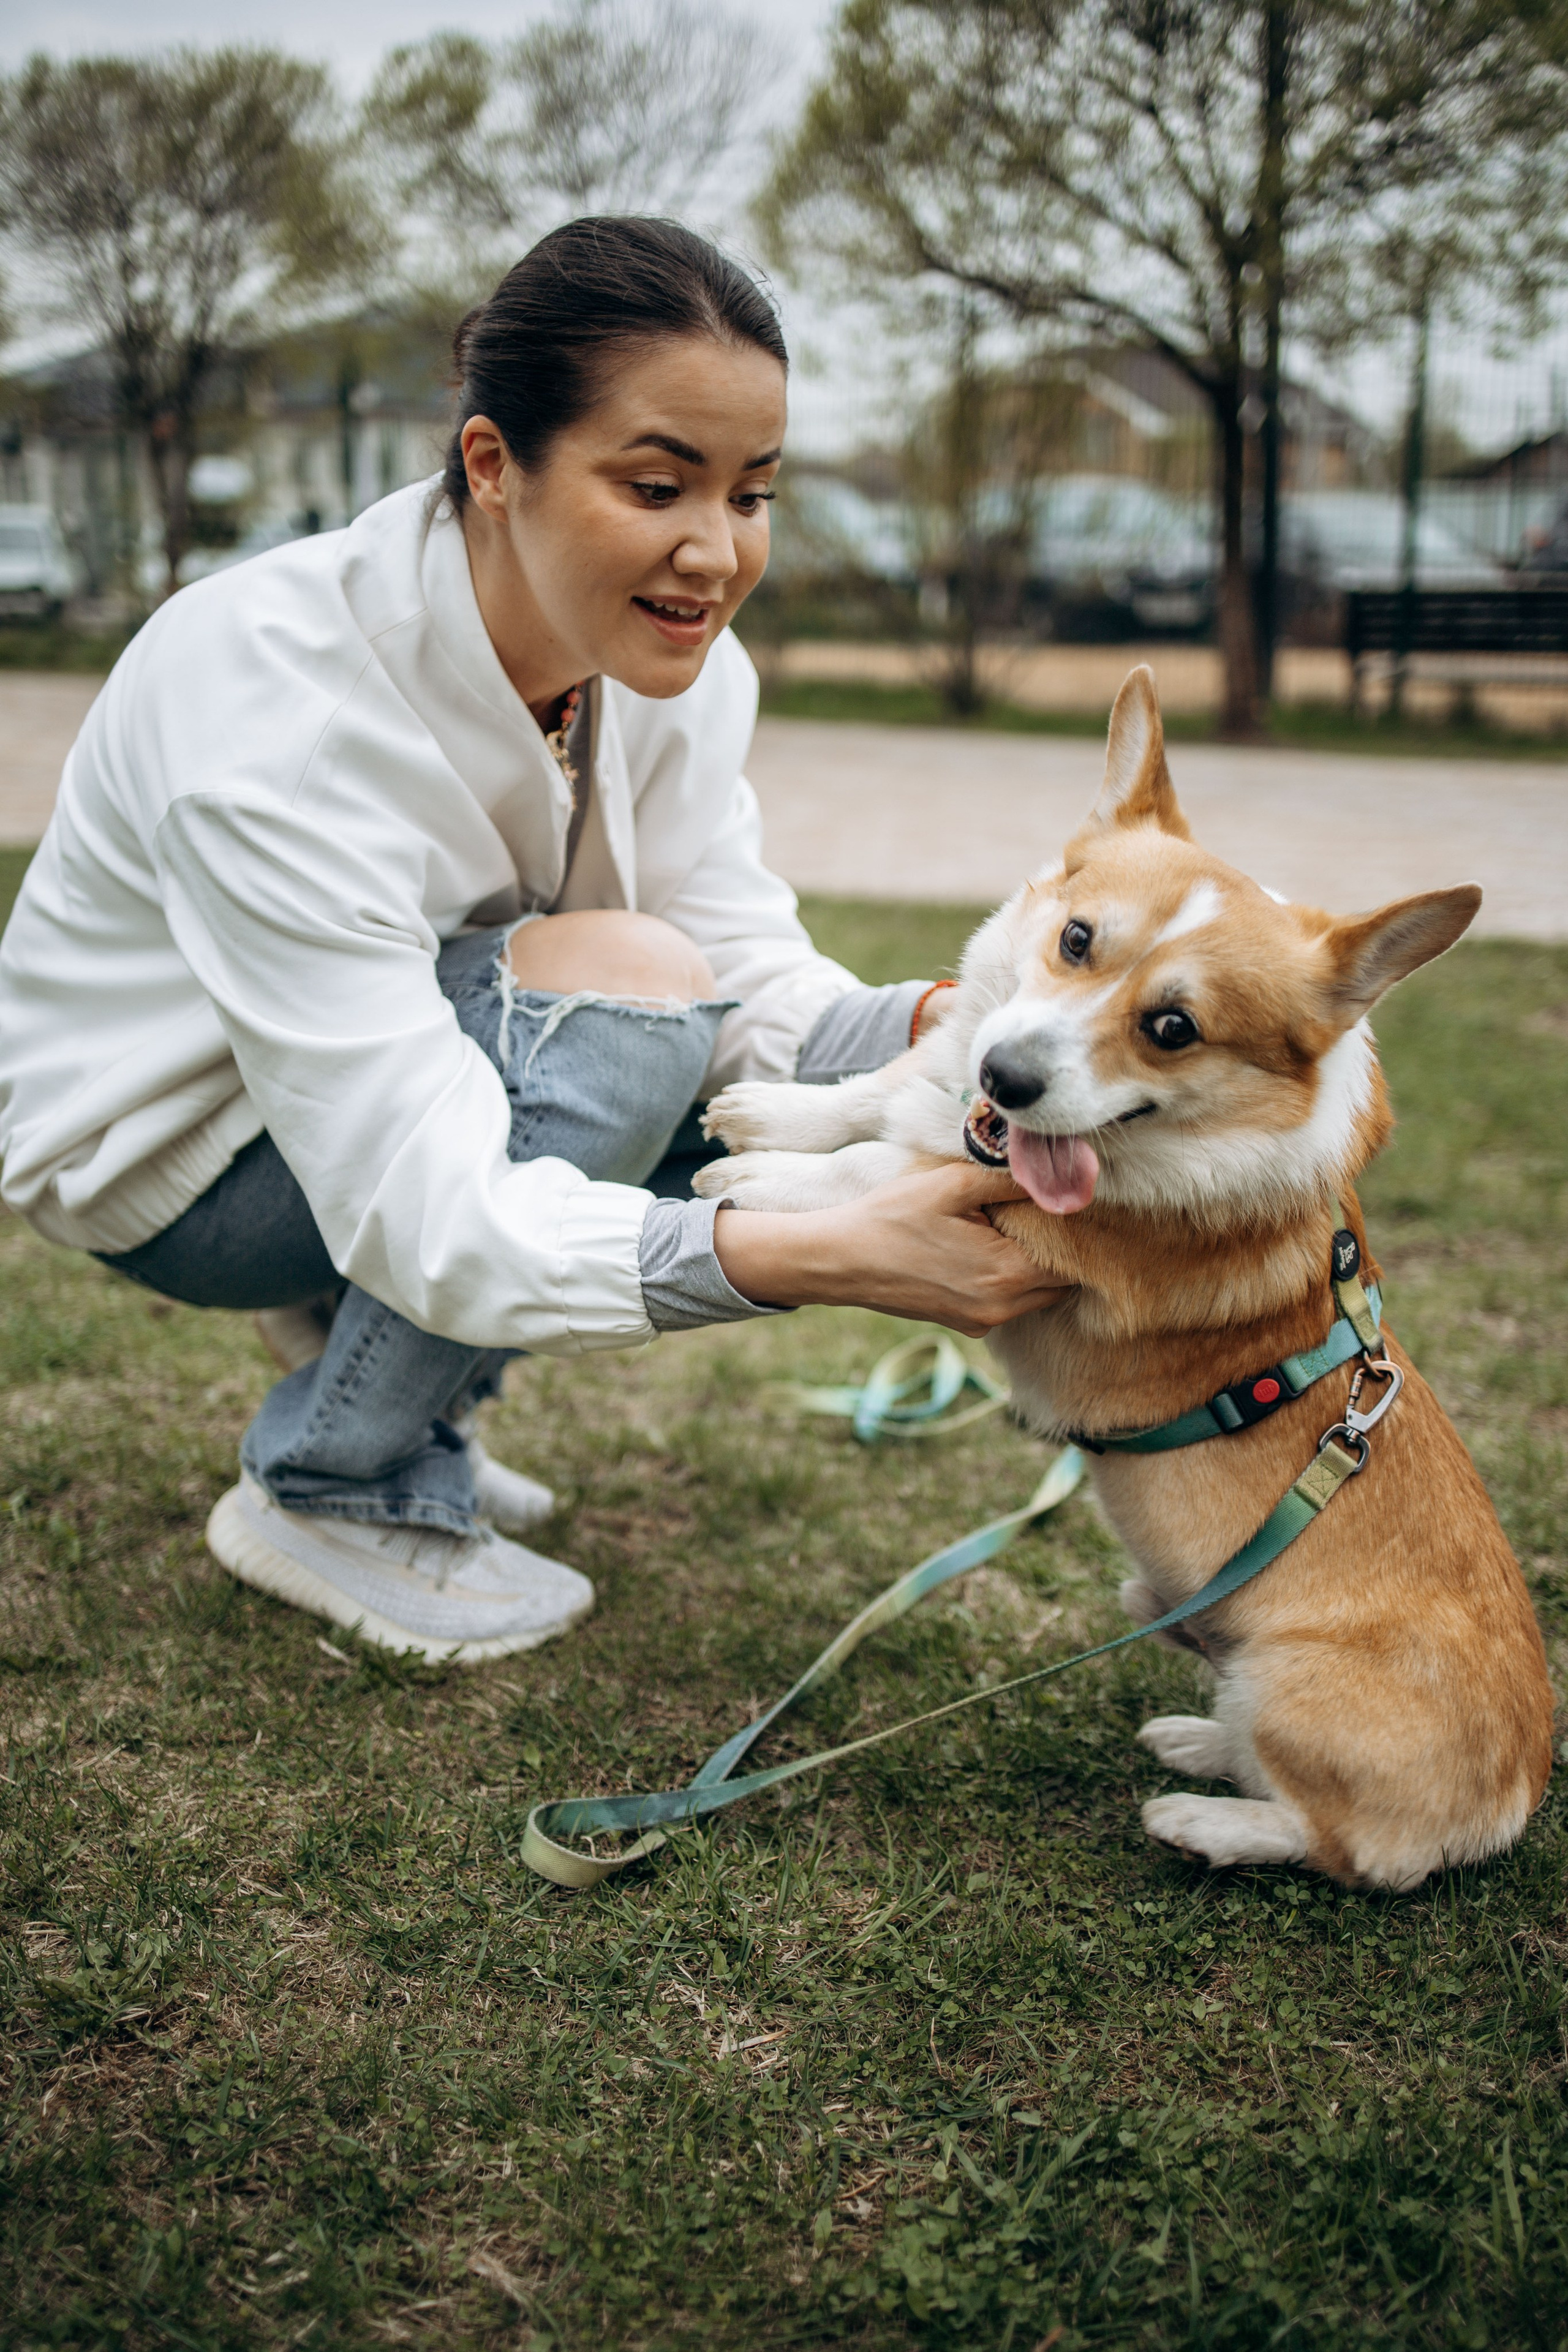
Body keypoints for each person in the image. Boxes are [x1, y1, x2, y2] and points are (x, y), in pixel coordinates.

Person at [0, 218, 1065, 1663]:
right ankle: (334, 1477)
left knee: (698, 1044)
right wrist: (822, 1253)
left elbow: (746, 975)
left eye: (752, 493)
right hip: (179, 1164)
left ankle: (375, 1380)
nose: (717, 549)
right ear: (493, 465)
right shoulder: (275, 709)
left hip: (372, 1097)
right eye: (655, 484)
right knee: (628, 1005)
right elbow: (440, 1188)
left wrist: (975, 1028)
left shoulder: (676, 662)